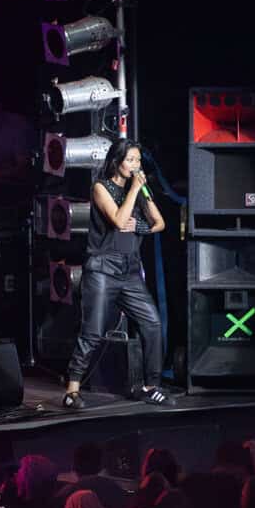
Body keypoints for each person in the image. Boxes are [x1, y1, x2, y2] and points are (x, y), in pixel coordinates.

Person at [62, 139, 171, 409]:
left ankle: (151, 386)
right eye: (131, 160)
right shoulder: (101, 188)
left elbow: (160, 223)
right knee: (93, 332)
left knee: (152, 324)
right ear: (117, 161)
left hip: (130, 270)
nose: (136, 165)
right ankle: (72, 390)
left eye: (138, 161)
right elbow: (120, 221)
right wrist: (133, 190)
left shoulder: (139, 190)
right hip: (103, 269)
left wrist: (140, 222)